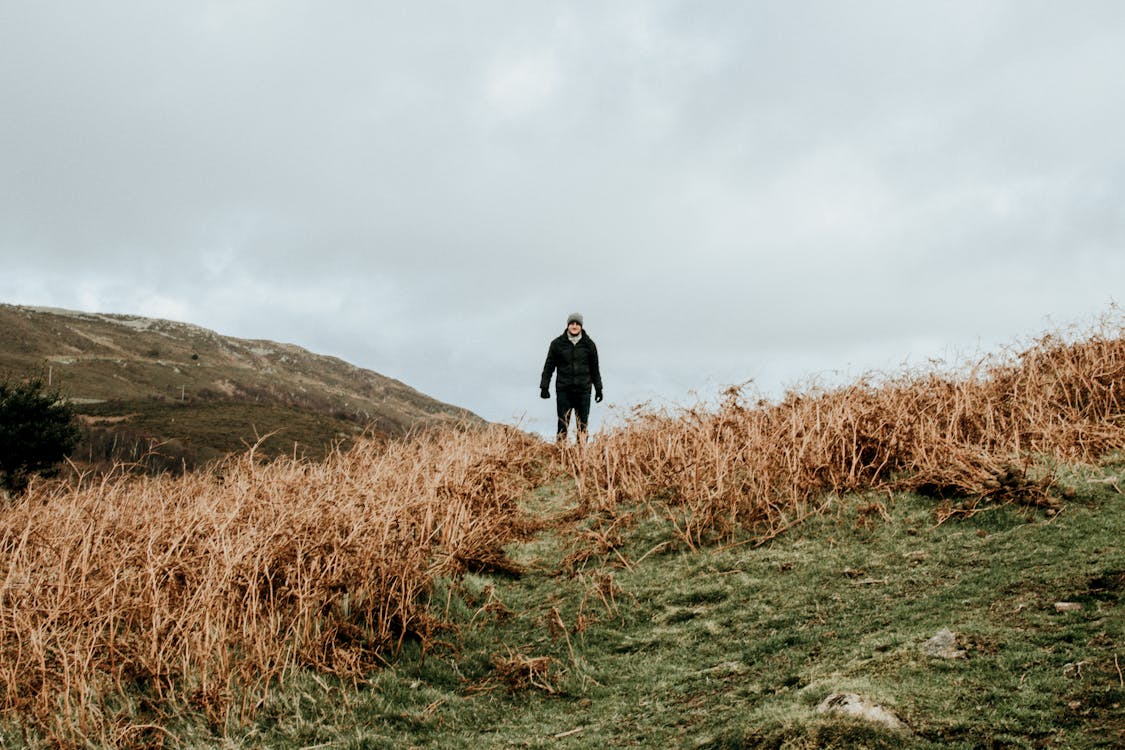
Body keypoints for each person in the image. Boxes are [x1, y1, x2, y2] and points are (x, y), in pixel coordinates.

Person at [540, 312, 603, 444]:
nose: (574, 326)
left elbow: (595, 369)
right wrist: (544, 386)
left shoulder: (589, 345)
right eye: (572, 323)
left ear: (581, 326)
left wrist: (598, 389)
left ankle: (581, 457)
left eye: (577, 324)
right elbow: (549, 366)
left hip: (583, 391)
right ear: (568, 325)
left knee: (583, 425)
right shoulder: (557, 344)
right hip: (564, 391)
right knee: (563, 425)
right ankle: (561, 455)